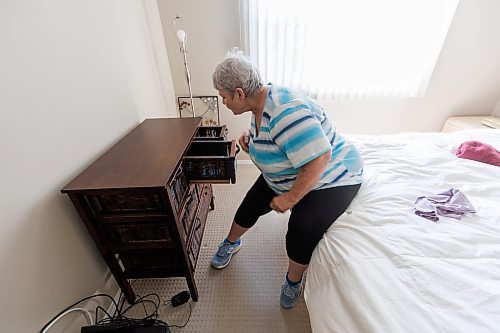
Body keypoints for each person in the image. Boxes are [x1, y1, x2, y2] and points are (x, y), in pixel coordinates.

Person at [210, 50, 363, 309]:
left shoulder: (285, 113)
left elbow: (321, 157)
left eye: (224, 97)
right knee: (250, 205)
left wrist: (291, 197)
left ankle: (293, 282)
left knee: (301, 230)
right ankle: (230, 243)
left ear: (238, 93)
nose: (223, 103)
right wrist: (253, 142)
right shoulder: (259, 98)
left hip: (332, 177)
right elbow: (274, 135)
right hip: (291, 171)